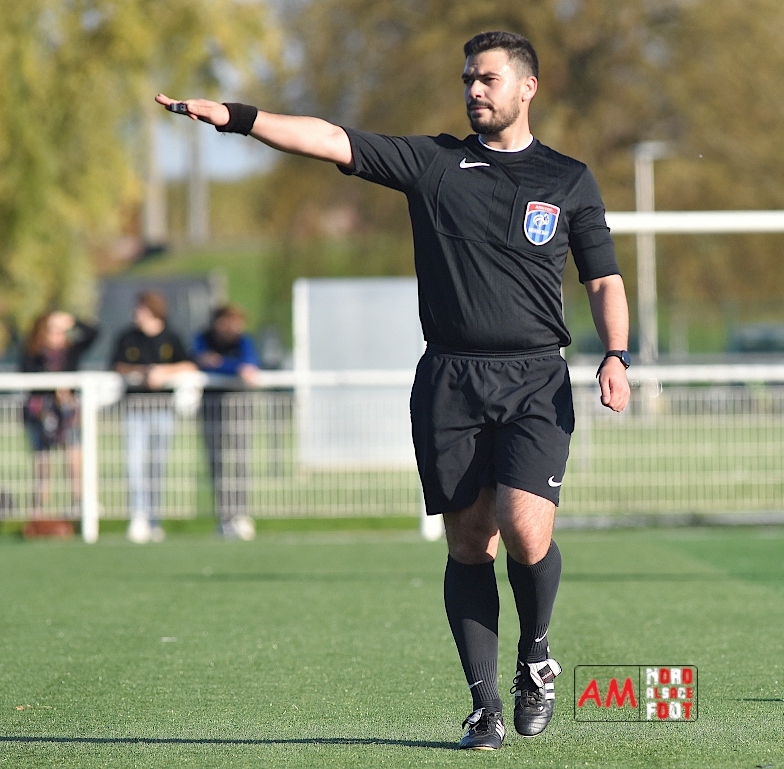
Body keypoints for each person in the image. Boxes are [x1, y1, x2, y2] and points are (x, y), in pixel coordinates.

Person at [157, 29, 632, 750]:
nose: (474, 90)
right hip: (450, 379)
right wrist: (237, 118)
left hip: (536, 377)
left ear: (527, 87)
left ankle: (535, 657)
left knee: (524, 527)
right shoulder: (434, 163)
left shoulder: (568, 179)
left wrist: (616, 353)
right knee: (470, 544)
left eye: (488, 79)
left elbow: (603, 278)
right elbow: (331, 139)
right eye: (467, 79)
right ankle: (484, 706)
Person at [110, 291, 197, 544]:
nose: (135, 313)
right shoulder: (127, 337)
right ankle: (138, 516)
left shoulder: (171, 337)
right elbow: (117, 365)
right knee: (134, 464)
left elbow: (189, 364)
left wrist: (163, 373)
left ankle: (154, 518)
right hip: (135, 410)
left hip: (163, 410)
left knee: (157, 465)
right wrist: (142, 372)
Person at [20, 311, 99, 536]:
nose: (58, 334)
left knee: (74, 462)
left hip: (67, 413)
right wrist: (53, 389)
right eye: (53, 329)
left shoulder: (71, 350)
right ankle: (37, 516)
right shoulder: (33, 352)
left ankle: (81, 512)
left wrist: (72, 319)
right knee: (43, 466)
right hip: (42, 414)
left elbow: (94, 333)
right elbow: (28, 377)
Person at [193, 304, 260, 541]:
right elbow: (204, 361)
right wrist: (233, 367)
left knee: (240, 460)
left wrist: (225, 364)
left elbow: (251, 363)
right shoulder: (203, 339)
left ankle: (241, 514)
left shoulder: (243, 341)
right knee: (217, 463)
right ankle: (224, 516)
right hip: (211, 407)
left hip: (239, 406)